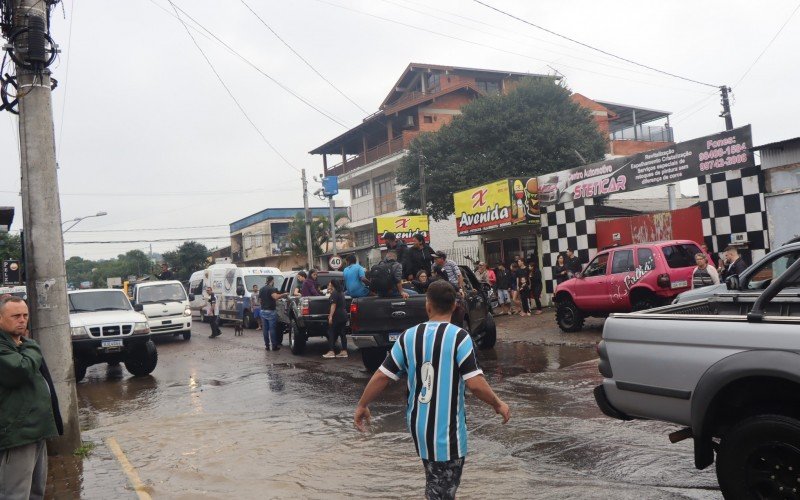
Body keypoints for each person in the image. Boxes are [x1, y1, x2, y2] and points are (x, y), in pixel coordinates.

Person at [354, 280, 510, 500]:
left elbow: (381, 376)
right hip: (447, 434)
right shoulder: (459, 338)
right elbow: (475, 384)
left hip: (420, 430)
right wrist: (498, 404)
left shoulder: (408, 337)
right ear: (455, 306)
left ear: (427, 305)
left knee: (436, 485)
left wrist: (362, 405)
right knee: (441, 492)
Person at [0, 296, 64, 500]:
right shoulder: (14, 346)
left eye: (25, 315)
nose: (22, 320)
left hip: (35, 430)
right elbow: (20, 370)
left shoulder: (18, 344)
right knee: (15, 493)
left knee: (36, 492)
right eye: (15, 316)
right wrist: (31, 345)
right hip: (17, 434)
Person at [259, 276, 288, 351]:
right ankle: (274, 346)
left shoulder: (261, 289)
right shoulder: (272, 289)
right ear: (272, 281)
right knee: (272, 329)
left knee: (265, 330)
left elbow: (260, 300)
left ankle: (267, 346)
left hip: (263, 311)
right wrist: (284, 294)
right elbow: (275, 297)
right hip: (271, 311)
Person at [322, 280, 349, 359]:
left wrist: (330, 316)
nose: (328, 285)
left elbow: (333, 306)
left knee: (331, 332)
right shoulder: (340, 292)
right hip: (343, 315)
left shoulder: (334, 293)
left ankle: (331, 351)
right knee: (342, 333)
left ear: (333, 285)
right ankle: (344, 351)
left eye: (330, 284)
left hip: (337, 316)